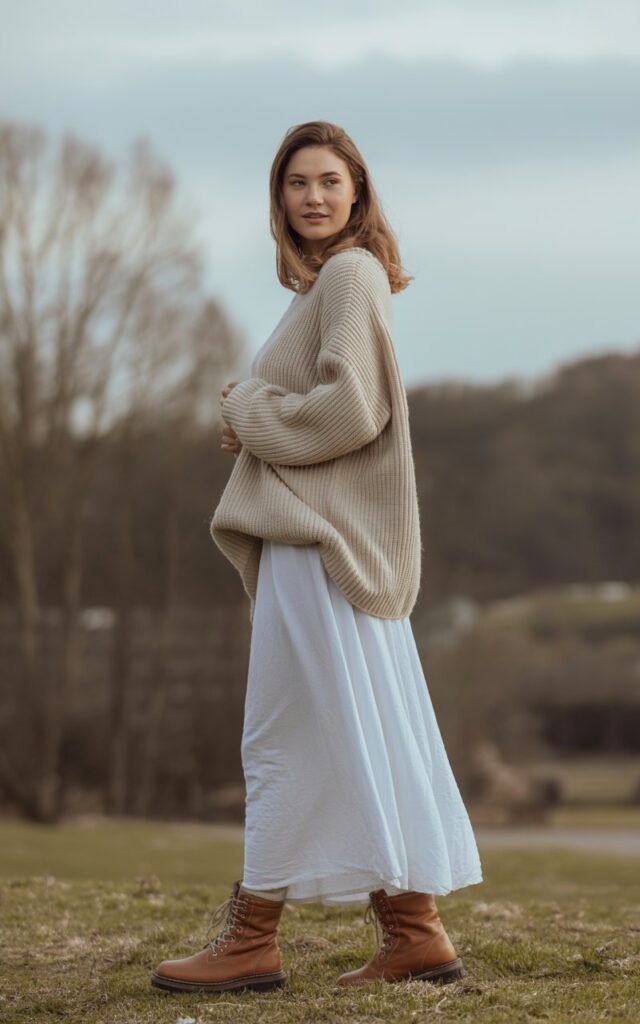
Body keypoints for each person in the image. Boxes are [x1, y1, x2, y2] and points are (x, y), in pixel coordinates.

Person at [151, 120, 483, 996]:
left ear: (358, 191)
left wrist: (248, 408)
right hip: (316, 546)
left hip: (320, 546)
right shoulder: (327, 287)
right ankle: (413, 932)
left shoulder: (349, 272)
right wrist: (257, 413)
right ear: (279, 199)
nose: (313, 196)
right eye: (297, 183)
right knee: (342, 732)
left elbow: (350, 411)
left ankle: (257, 941)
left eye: (330, 181)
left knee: (283, 736)